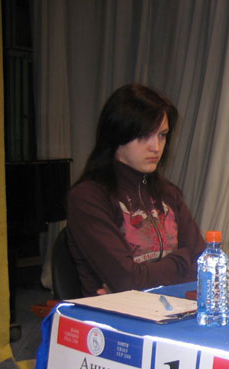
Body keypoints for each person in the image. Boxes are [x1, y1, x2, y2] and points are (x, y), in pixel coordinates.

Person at [66, 84, 206, 297]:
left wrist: (140, 278)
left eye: (162, 135)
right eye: (144, 135)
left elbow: (205, 266)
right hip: (116, 313)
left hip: (177, 307)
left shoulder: (169, 193)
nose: (156, 147)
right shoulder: (88, 198)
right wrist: (183, 258)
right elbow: (128, 280)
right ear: (117, 135)